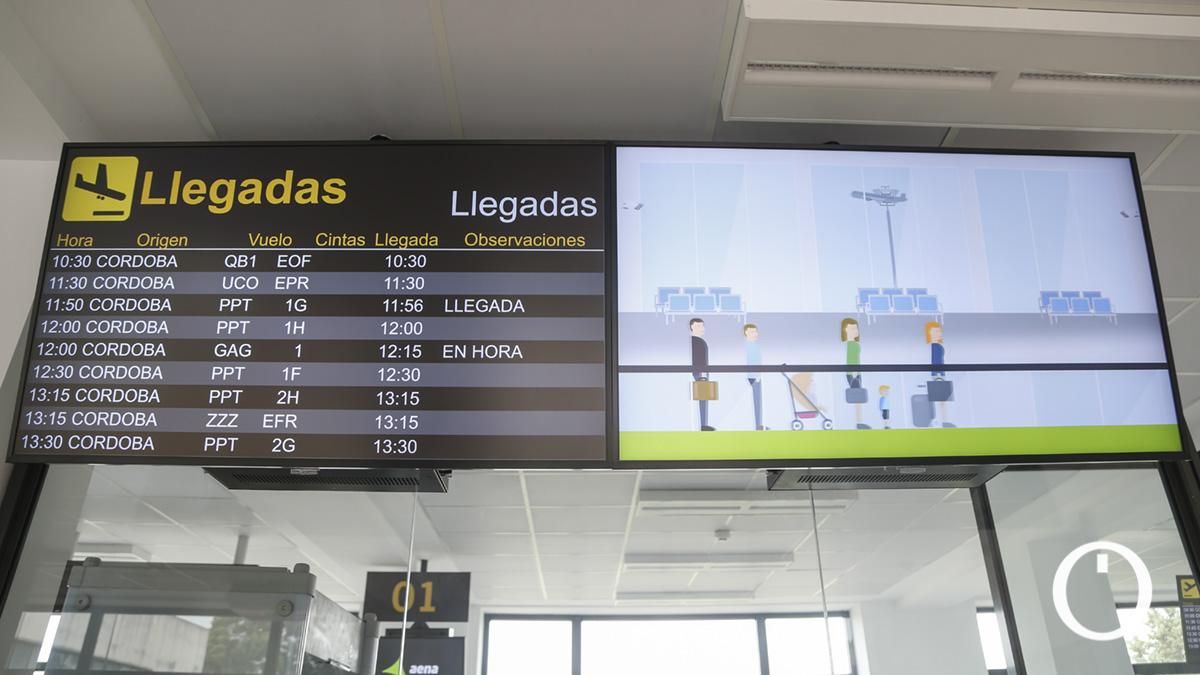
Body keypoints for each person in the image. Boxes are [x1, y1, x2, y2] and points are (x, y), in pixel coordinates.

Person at [841, 318, 869, 429]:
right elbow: (851, 360)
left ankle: (859, 422)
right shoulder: (850, 345)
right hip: (853, 374)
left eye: (856, 328)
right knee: (858, 399)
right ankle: (859, 422)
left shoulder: (854, 344)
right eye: (852, 328)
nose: (856, 330)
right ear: (845, 330)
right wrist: (854, 374)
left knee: (859, 399)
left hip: (856, 373)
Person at [925, 321, 954, 428]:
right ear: (929, 333)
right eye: (935, 331)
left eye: (939, 331)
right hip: (937, 376)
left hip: (941, 375)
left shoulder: (938, 346)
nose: (938, 333)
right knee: (940, 401)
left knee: (943, 401)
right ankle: (941, 421)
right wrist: (937, 375)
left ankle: (944, 420)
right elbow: (935, 361)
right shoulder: (933, 347)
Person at [690, 318, 714, 431]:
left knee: (704, 400)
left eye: (702, 326)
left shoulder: (701, 342)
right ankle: (703, 424)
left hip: (702, 374)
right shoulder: (695, 342)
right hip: (699, 374)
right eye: (698, 326)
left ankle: (704, 424)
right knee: (702, 400)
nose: (701, 328)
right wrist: (702, 374)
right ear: (691, 327)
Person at [744, 324, 766, 430]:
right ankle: (757, 425)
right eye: (752, 332)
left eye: (756, 331)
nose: (755, 334)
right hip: (752, 377)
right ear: (746, 333)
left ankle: (759, 425)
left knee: (758, 402)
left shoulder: (756, 346)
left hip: (757, 377)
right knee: (755, 401)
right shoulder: (747, 347)